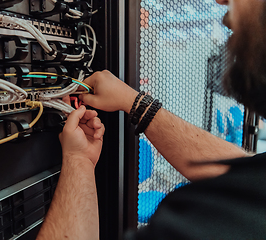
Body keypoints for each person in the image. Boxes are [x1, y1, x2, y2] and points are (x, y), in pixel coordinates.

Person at [36, 0, 266, 239]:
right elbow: (244, 172)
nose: (221, 0)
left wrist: (78, 160)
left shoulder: (204, 222)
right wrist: (135, 103)